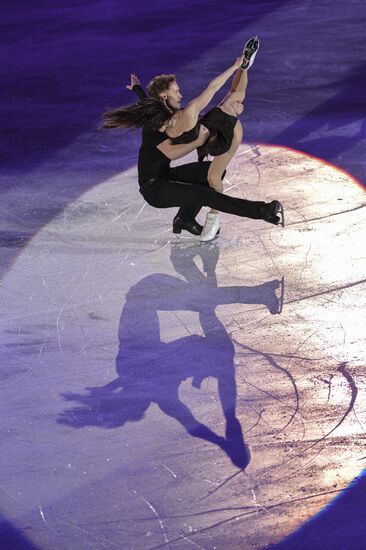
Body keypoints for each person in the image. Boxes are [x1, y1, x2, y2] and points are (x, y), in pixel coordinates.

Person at [102, 45, 284, 237]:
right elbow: (171, 153)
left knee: (212, 173)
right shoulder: (154, 127)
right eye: (176, 91)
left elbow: (151, 103)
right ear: (165, 97)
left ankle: (185, 218)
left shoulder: (163, 111)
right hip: (154, 188)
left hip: (167, 174)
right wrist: (197, 142)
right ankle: (263, 211)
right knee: (205, 194)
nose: (180, 95)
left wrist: (138, 89)